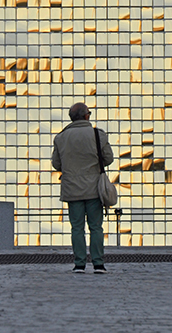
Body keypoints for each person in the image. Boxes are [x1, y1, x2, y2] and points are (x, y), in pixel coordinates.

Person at [52, 102, 113, 274]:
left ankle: (79, 264)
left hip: (72, 189)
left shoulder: (61, 137)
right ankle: (98, 263)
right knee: (96, 227)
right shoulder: (97, 134)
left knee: (76, 228)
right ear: (86, 116)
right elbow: (108, 158)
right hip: (94, 188)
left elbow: (57, 164)